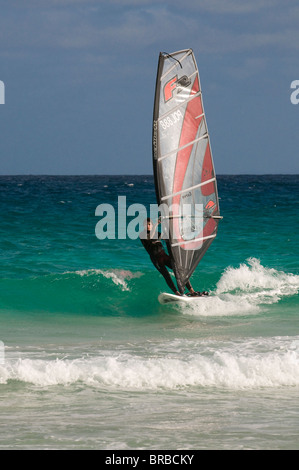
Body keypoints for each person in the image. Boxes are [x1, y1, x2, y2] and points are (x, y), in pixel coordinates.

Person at [139, 217, 201, 296]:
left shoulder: (157, 233)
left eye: (149, 224)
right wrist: (156, 225)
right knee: (167, 276)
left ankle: (192, 291)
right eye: (146, 225)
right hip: (156, 259)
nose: (148, 226)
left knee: (179, 270)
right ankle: (177, 293)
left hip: (163, 255)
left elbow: (168, 238)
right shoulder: (142, 235)